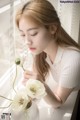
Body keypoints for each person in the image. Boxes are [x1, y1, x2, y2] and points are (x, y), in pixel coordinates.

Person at [15, 0, 80, 119]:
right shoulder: (40, 51)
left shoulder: (73, 59)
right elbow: (36, 80)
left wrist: (41, 85)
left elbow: (58, 102)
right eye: (23, 34)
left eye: (33, 33)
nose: (27, 42)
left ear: (52, 28)